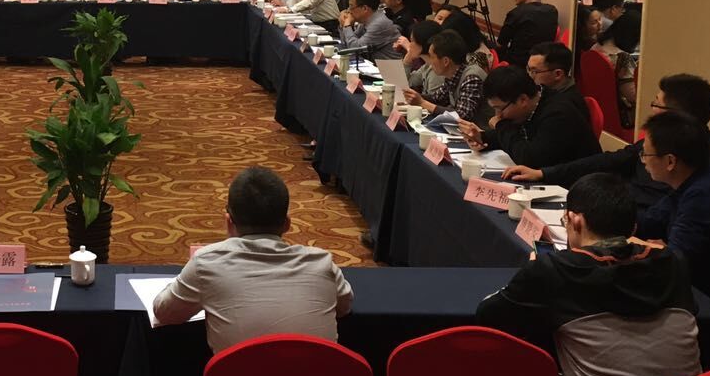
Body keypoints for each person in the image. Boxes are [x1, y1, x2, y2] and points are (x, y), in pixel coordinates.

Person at [476, 173, 700, 376]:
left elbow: (488, 316)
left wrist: (531, 275)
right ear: (632, 228)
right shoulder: (674, 264)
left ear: (575, 221)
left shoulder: (554, 272)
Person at [153, 167, 353, 352]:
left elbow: (164, 312)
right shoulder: (322, 263)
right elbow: (344, 306)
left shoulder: (206, 263)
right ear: (287, 224)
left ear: (228, 222)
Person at [503, 73, 710, 210]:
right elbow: (611, 160)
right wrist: (544, 173)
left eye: (656, 104)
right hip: (615, 212)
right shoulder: (658, 140)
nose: (651, 109)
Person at [636, 111, 710, 315]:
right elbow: (650, 221)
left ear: (670, 161)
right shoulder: (693, 182)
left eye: (646, 154)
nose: (643, 161)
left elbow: (674, 264)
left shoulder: (704, 195)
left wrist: (659, 251)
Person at [458, 66, 600, 166]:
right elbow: (516, 134)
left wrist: (500, 125)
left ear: (522, 100)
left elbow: (529, 159)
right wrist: (482, 138)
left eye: (500, 109)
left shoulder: (557, 114)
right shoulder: (532, 104)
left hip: (576, 185)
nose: (498, 115)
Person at [402, 28, 487, 122]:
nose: (430, 61)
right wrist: (412, 95)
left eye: (431, 56)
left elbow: (462, 115)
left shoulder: (472, 78)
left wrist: (422, 102)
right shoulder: (453, 74)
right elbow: (437, 98)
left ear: (446, 61)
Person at [498, 0, 559, 68]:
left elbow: (501, 44)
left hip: (516, 66)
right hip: (542, 65)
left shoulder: (516, 13)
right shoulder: (552, 11)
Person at [527, 41, 590, 125]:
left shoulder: (563, 111)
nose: (529, 76)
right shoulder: (548, 93)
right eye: (528, 69)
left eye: (534, 71)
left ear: (558, 74)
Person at [338, 0, 402, 60]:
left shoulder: (379, 24)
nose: (348, 10)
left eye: (351, 6)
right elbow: (347, 43)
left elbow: (355, 48)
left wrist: (347, 25)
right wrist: (342, 24)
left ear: (364, 8)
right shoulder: (365, 20)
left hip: (390, 66)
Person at [403, 20, 445, 95]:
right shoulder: (427, 66)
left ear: (422, 43)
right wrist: (407, 62)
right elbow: (408, 82)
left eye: (412, 41)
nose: (410, 45)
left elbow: (433, 100)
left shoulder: (437, 72)